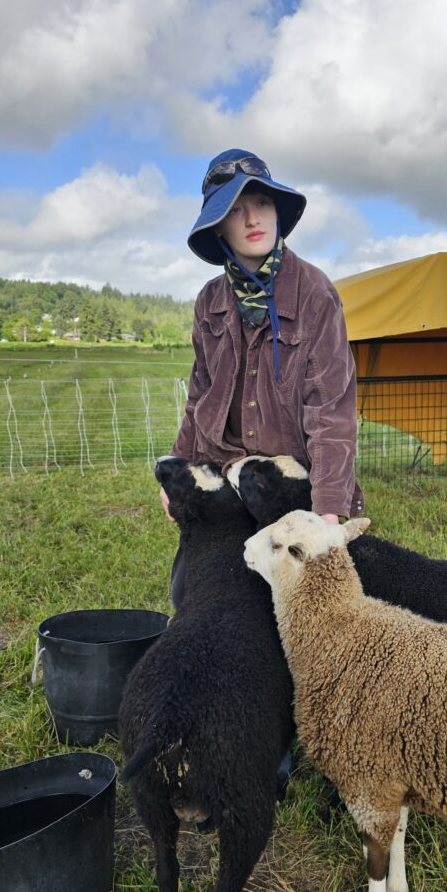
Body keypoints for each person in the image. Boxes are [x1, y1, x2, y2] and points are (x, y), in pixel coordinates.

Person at [163, 148, 363, 608]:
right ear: (218, 227)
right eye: (234, 210)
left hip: (288, 479)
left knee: (296, 604)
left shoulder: (314, 294)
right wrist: (177, 472)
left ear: (278, 210)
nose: (253, 218)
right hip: (224, 465)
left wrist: (328, 509)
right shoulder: (209, 301)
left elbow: (331, 409)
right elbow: (200, 393)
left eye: (262, 204)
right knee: (191, 594)